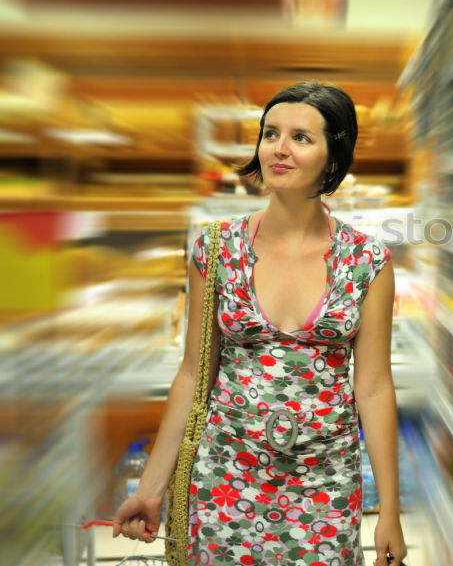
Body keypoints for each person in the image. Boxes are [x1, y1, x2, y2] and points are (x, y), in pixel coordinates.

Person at [113, 82, 407, 566]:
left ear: (334, 156)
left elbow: (373, 387)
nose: (280, 149)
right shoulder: (217, 248)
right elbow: (193, 374)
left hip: (325, 484)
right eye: (271, 133)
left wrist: (389, 510)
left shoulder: (367, 261)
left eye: (301, 137)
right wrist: (151, 489)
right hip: (226, 475)